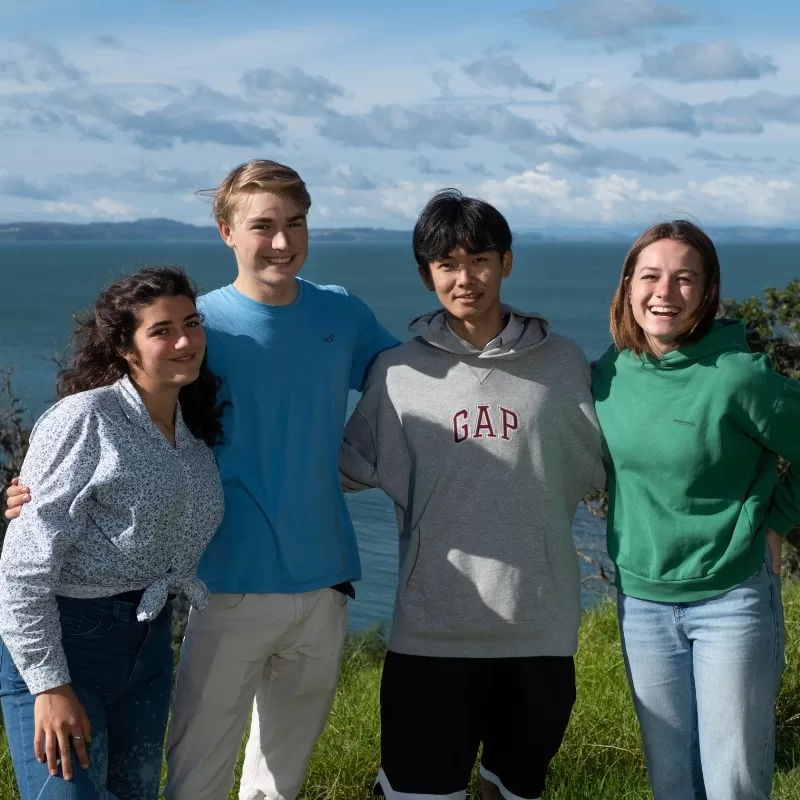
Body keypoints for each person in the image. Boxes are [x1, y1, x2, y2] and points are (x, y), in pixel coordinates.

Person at [338, 190, 605, 800]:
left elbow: (625, 464)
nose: (465, 278)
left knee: (513, 790)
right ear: (426, 274)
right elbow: (336, 470)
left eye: (479, 259)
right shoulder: (398, 374)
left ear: (506, 263)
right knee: (418, 792)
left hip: (539, 626)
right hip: (430, 630)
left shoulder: (564, 366)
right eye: (447, 264)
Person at [592, 220, 800, 800]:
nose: (666, 292)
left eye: (686, 278)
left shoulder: (738, 376)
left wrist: (779, 520)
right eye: (651, 276)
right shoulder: (607, 376)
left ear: (707, 291)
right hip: (643, 603)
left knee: (732, 780)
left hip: (732, 600)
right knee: (671, 781)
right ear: (628, 284)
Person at [0, 267, 224, 800]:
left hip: (147, 650)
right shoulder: (85, 418)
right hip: (69, 642)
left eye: (191, 323)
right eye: (162, 330)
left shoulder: (191, 434)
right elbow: (24, 565)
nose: (184, 340)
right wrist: (50, 685)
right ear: (124, 347)